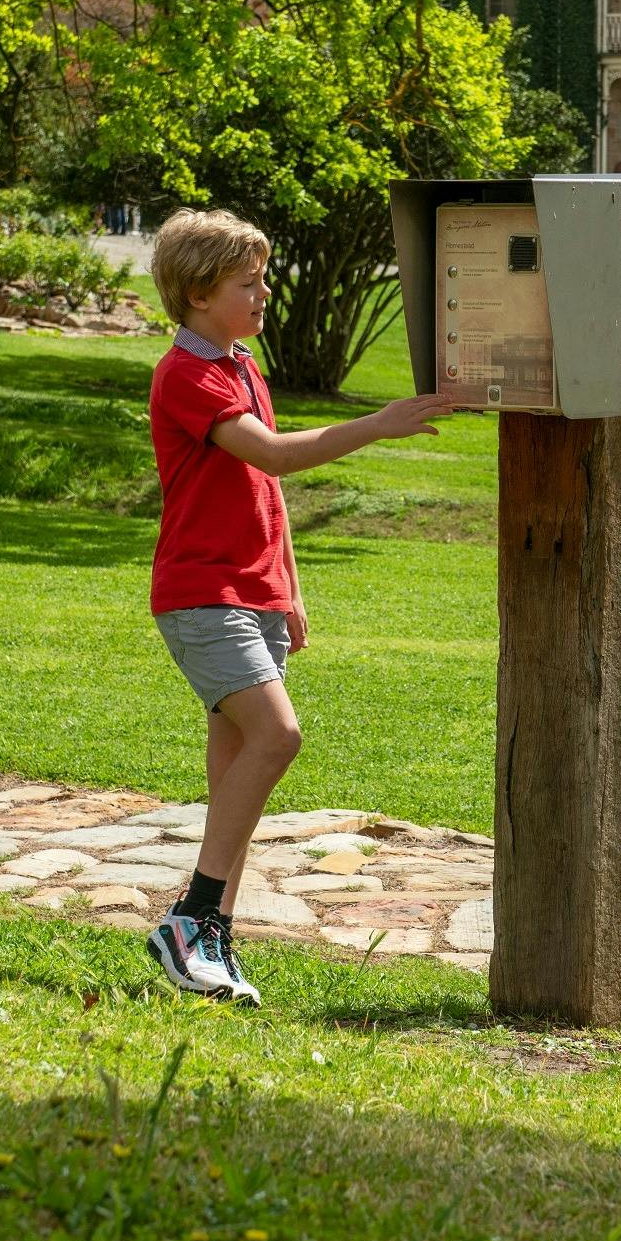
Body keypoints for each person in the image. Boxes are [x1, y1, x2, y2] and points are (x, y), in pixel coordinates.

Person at [142, 209, 449, 1001]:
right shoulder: (188, 376)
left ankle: (212, 944)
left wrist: (290, 588)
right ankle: (192, 917)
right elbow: (275, 456)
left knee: (232, 780)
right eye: (249, 283)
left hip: (254, 594)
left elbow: (262, 493)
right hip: (203, 594)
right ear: (200, 293)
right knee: (277, 738)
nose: (265, 293)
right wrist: (379, 425)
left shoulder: (241, 363)